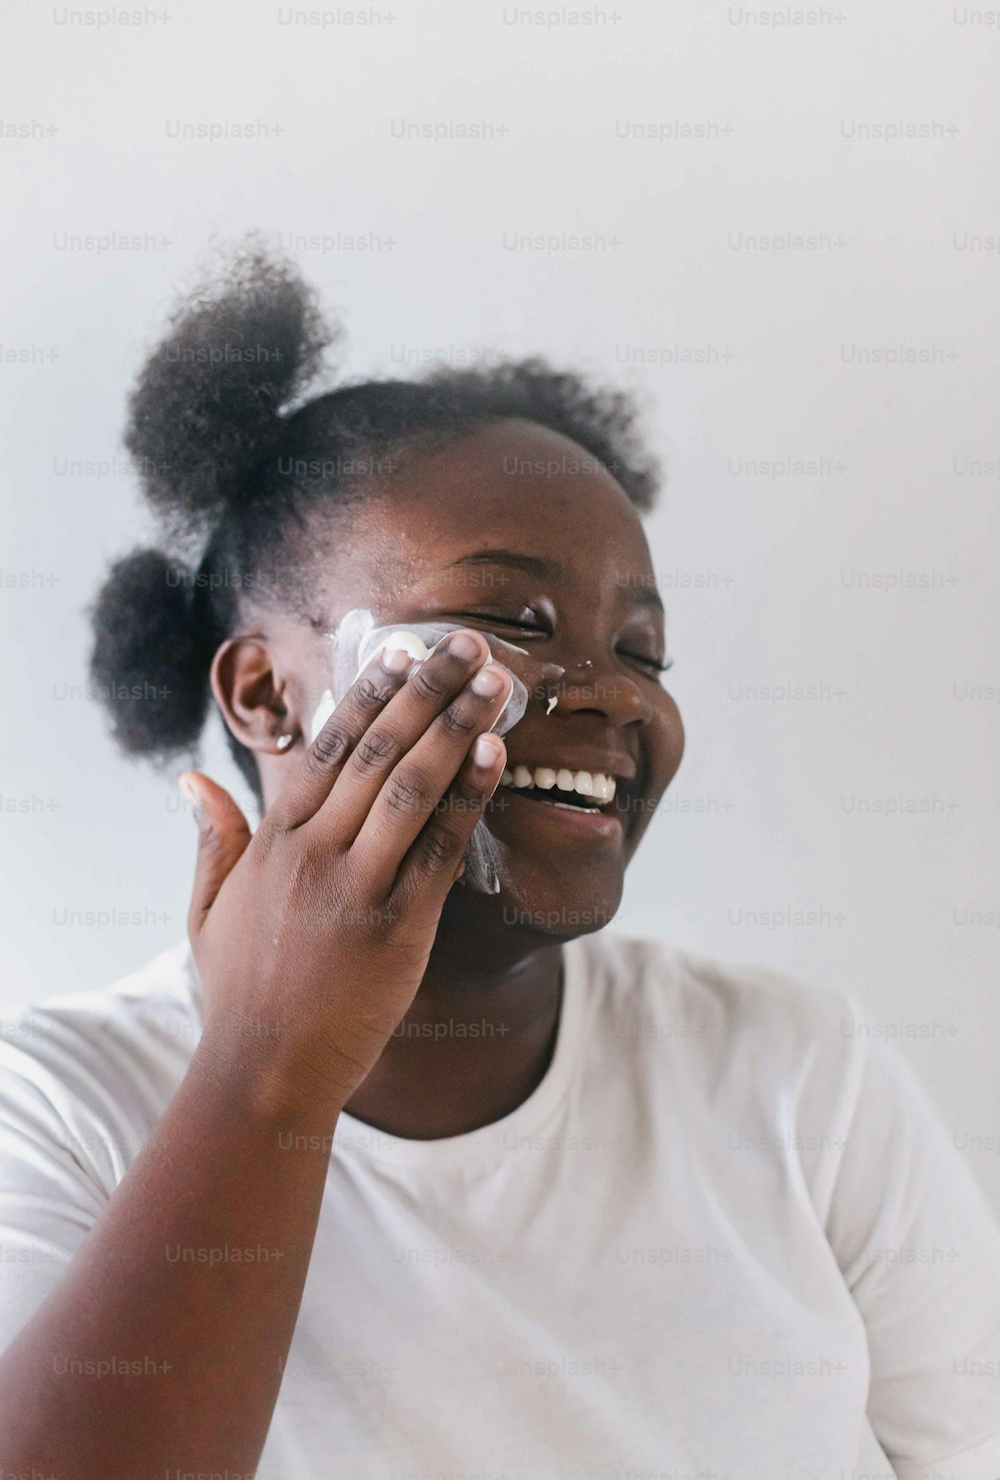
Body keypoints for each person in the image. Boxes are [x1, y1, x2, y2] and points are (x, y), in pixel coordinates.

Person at [0, 246, 998, 1479]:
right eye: (512, 624)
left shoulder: (800, 1077)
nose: (613, 698)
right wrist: (270, 1069)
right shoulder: (51, 1110)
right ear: (264, 692)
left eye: (643, 649)